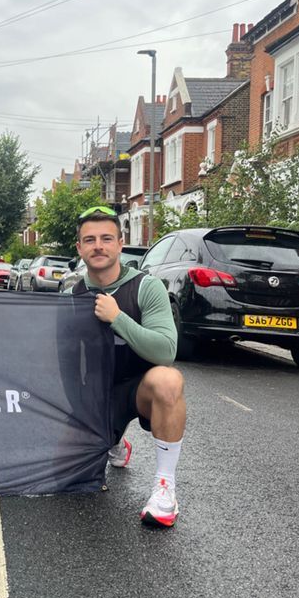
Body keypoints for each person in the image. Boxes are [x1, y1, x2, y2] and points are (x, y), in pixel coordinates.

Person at [72, 206, 185, 527]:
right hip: (94, 397)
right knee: (63, 479)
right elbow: (61, 363)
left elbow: (166, 351)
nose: (98, 246)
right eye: (89, 240)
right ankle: (114, 439)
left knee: (168, 380)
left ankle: (165, 489)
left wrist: (116, 317)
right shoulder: (72, 295)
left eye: (107, 238)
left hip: (139, 390)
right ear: (79, 248)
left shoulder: (146, 287)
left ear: (121, 243)